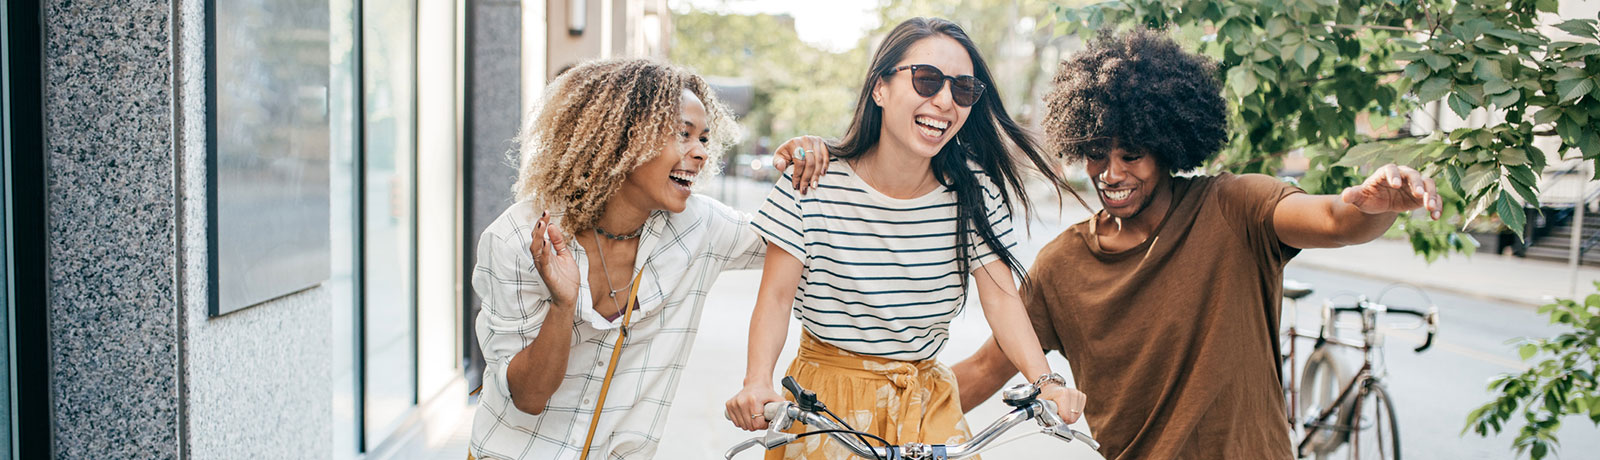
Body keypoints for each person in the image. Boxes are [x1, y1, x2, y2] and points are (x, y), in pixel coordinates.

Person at [950, 29, 1443, 460]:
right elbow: (985, 368)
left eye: (1133, 154)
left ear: (1167, 146)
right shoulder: (1062, 265)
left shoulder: (1233, 207)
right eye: (1098, 155)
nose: (1112, 173)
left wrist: (1375, 207)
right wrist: (885, 414)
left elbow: (1336, 221)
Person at [723, 17, 1088, 460]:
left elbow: (1003, 299)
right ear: (880, 88)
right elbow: (776, 299)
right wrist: (757, 382)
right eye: (927, 80)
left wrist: (1045, 382)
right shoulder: (812, 181)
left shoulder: (973, 191)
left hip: (927, 403)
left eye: (963, 89)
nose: (944, 101)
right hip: (825, 404)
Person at [468, 58, 826, 460]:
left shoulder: (699, 226)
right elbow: (528, 397)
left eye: (704, 139)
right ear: (619, 137)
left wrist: (811, 159)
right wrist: (563, 304)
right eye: (682, 134)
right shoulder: (518, 238)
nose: (700, 153)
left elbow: (795, 238)